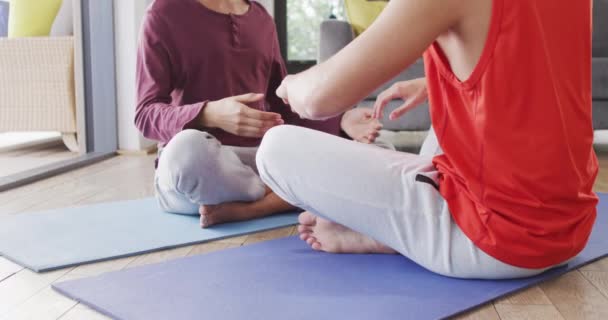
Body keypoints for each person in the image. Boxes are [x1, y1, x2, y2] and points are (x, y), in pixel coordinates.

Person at [256, 0, 598, 279]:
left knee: (275, 149)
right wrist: (432, 82)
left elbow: (318, 99)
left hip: (500, 242)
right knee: (449, 118)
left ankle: (392, 231)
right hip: (570, 226)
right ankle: (394, 225)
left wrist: (289, 85)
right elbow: (536, 63)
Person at [135, 0, 383, 227]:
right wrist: (209, 113)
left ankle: (258, 206)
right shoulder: (163, 13)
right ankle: (283, 195)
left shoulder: (261, 18)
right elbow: (145, 113)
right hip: (201, 169)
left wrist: (342, 120)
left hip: (259, 160)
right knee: (187, 152)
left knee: (380, 152)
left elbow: (283, 107)